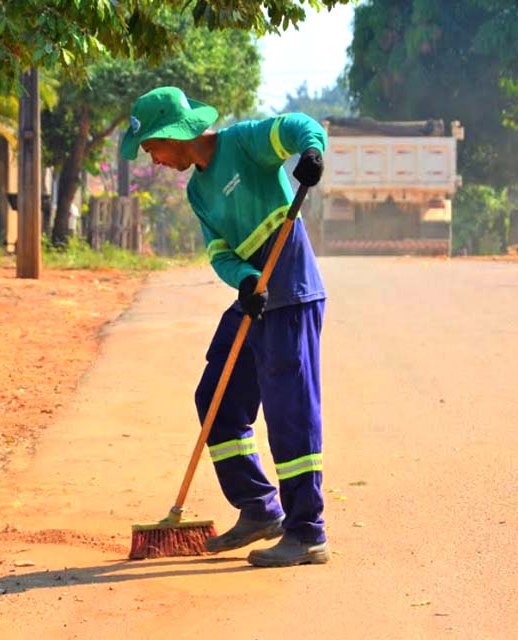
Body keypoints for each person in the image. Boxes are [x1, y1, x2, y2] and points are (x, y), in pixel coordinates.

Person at [120, 86, 328, 568]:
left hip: (291, 292)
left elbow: (298, 125)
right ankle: (259, 508)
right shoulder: (197, 191)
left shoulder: (244, 144)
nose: (153, 160)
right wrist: (245, 279)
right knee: (217, 398)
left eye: (152, 149)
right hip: (254, 298)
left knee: (289, 411)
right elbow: (220, 253)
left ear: (171, 134)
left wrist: (312, 151)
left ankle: (308, 532)